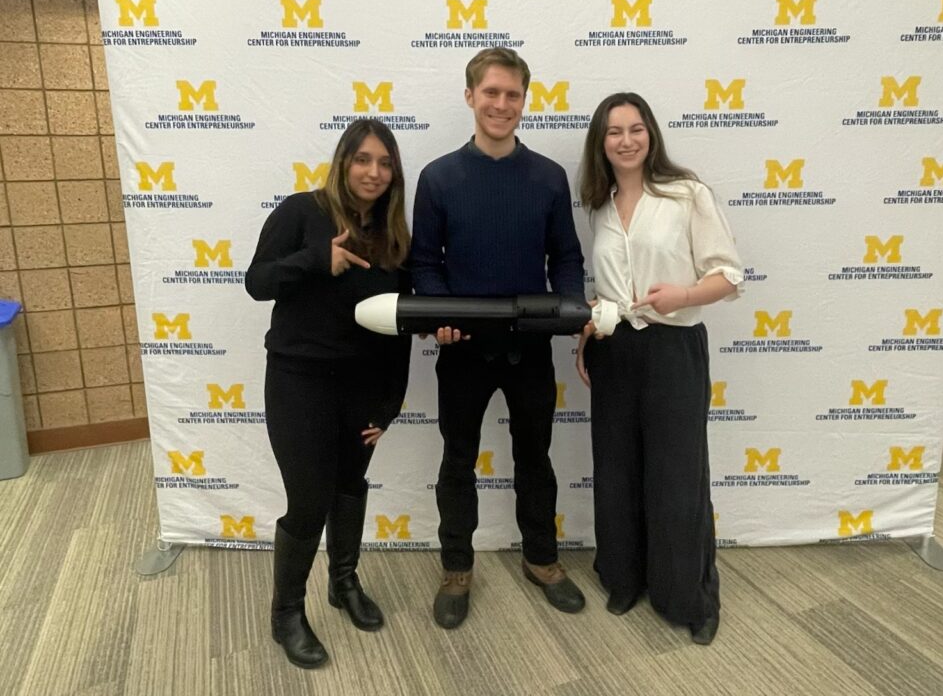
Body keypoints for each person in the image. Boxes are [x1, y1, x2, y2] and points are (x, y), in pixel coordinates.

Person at [411, 47, 587, 629]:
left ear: (523, 102)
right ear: (470, 97)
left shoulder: (548, 178)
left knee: (535, 458)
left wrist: (565, 313)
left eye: (512, 95)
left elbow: (565, 257)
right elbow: (425, 262)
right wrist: (440, 314)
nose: (501, 104)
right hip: (461, 347)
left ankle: (542, 559)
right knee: (457, 459)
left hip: (531, 345)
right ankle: (456, 568)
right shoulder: (438, 177)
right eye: (491, 93)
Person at [575, 93, 743, 645]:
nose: (626, 140)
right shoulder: (597, 204)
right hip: (614, 349)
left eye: (636, 128)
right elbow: (604, 290)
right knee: (617, 470)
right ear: (600, 142)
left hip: (674, 349)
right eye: (614, 131)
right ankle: (623, 578)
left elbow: (729, 276)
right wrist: (588, 333)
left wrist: (684, 294)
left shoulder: (686, 194)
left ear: (652, 135)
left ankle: (688, 597)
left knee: (677, 478)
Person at [245, 119, 412, 668]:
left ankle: (344, 583)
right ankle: (286, 613)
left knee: (350, 486)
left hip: (363, 387)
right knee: (309, 499)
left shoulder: (392, 236)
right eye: (363, 159)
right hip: (299, 380)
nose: (374, 172)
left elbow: (399, 328)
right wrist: (319, 260)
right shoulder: (302, 212)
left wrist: (391, 404)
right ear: (343, 162)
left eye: (385, 163)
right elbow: (258, 282)